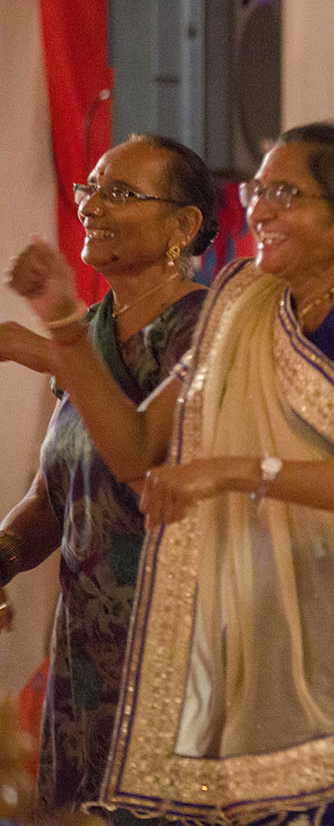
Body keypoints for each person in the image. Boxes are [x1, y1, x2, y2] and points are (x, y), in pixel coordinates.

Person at [6, 122, 334, 824]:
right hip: (258, 640)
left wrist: (237, 471)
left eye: (286, 194)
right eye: (257, 191)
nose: (260, 209)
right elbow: (136, 448)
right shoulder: (244, 309)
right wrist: (59, 315)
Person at [0, 135, 217, 816]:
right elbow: (56, 496)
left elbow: (144, 458)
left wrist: (55, 342)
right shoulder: (90, 329)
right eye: (90, 188)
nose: (92, 205)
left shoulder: (209, 328)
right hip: (83, 667)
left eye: (119, 192)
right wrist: (4, 553)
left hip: (177, 655)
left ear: (183, 225)